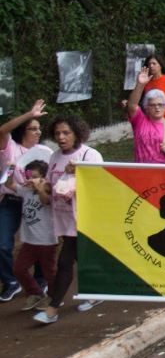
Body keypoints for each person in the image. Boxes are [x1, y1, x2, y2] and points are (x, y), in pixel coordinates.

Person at [34, 115, 104, 324]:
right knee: (80, 258)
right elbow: (50, 186)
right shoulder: (54, 156)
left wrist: (79, 172)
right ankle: (96, 291)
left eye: (66, 133)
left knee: (65, 262)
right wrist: (39, 186)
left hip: (84, 218)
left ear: (77, 133)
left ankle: (52, 308)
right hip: (63, 219)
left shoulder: (89, 155)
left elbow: (101, 185)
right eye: (57, 134)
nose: (61, 137)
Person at [0, 100, 48, 302]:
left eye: (39, 129)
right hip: (10, 201)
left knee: (39, 240)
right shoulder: (10, 146)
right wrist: (30, 114)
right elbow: (2, 129)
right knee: (2, 244)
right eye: (32, 128)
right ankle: (11, 282)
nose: (37, 132)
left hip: (34, 201)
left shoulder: (44, 152)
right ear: (23, 130)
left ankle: (41, 280)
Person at [13, 159, 58, 322]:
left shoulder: (48, 191)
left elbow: (46, 201)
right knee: (19, 269)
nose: (29, 180)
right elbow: (11, 185)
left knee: (50, 273)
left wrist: (40, 187)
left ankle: (54, 298)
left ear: (44, 178)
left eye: (34, 177)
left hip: (46, 241)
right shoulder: (25, 191)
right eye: (27, 176)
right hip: (29, 241)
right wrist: (11, 169)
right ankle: (36, 293)